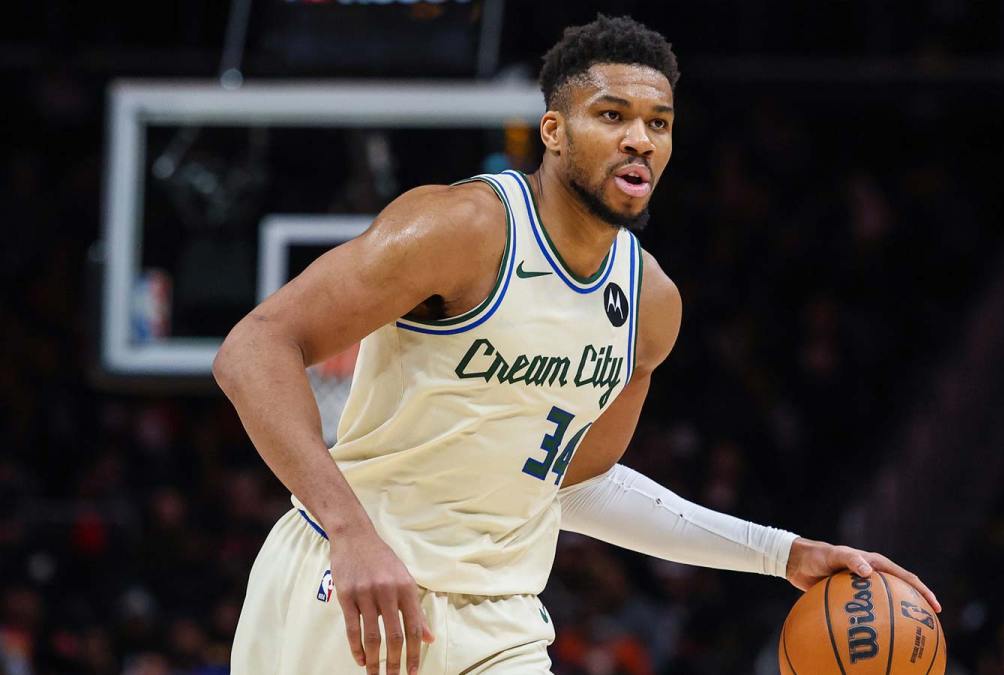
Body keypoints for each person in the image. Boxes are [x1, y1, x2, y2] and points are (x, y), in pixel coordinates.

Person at [214, 14, 940, 675]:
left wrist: (781, 554)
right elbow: (253, 348)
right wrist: (352, 531)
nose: (640, 139)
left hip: (500, 621)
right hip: (350, 584)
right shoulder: (461, 229)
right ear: (554, 130)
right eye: (613, 116)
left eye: (659, 123)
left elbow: (578, 482)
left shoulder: (650, 305)